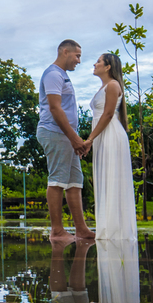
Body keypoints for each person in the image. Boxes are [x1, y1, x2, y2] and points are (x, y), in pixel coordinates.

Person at [37, 39, 96, 241]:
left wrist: (73, 139)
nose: (79, 60)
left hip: (65, 135)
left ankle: (81, 229)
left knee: (74, 182)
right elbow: (55, 109)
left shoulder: (62, 76)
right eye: (77, 55)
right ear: (64, 52)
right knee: (57, 180)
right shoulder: (53, 74)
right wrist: (76, 139)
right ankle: (57, 230)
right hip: (55, 132)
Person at [84, 52, 137, 241]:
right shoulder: (105, 86)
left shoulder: (113, 85)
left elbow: (107, 115)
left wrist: (89, 139)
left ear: (108, 67)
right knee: (105, 177)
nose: (94, 63)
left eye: (98, 61)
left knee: (112, 177)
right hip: (102, 136)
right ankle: (107, 227)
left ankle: (116, 230)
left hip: (110, 135)